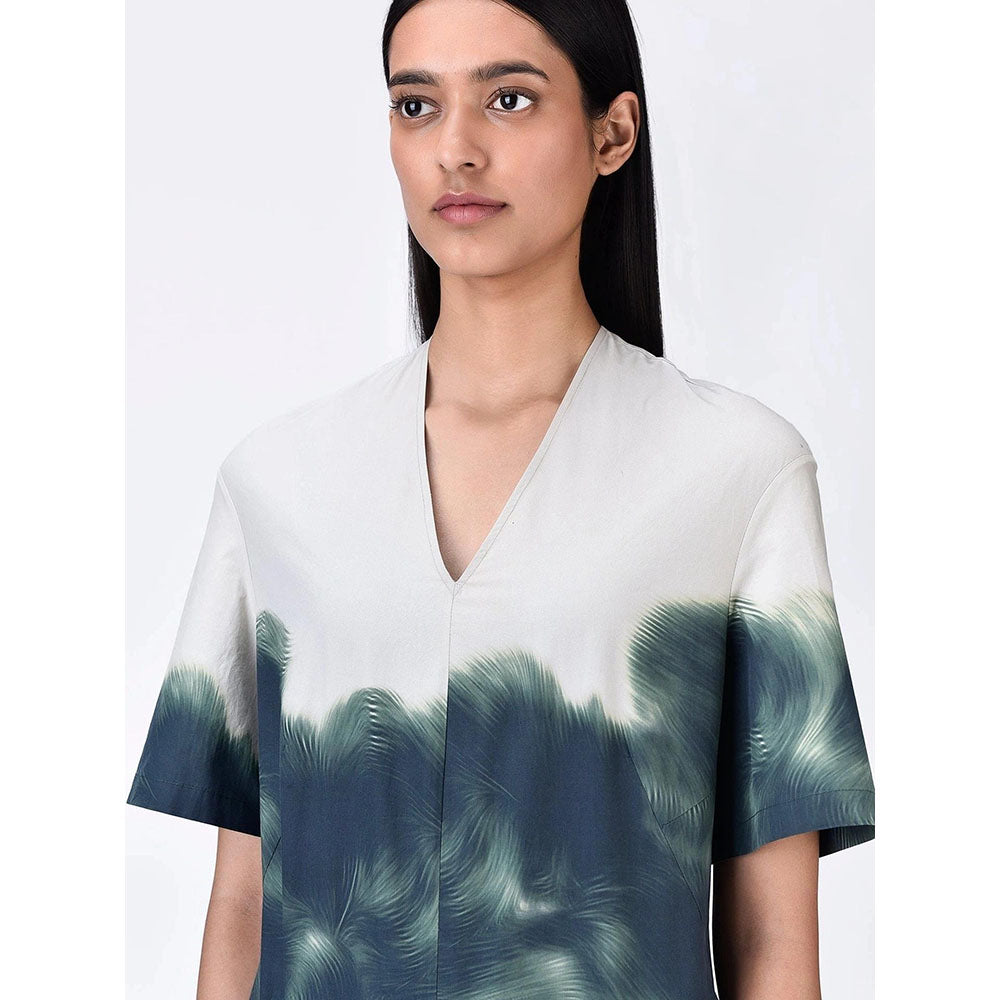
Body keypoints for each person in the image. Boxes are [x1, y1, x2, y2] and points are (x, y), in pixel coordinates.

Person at [126, 1, 876, 997]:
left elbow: (771, 938)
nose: (456, 150)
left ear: (612, 133)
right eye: (416, 106)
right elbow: (243, 907)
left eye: (509, 99)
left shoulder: (736, 473)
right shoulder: (278, 482)